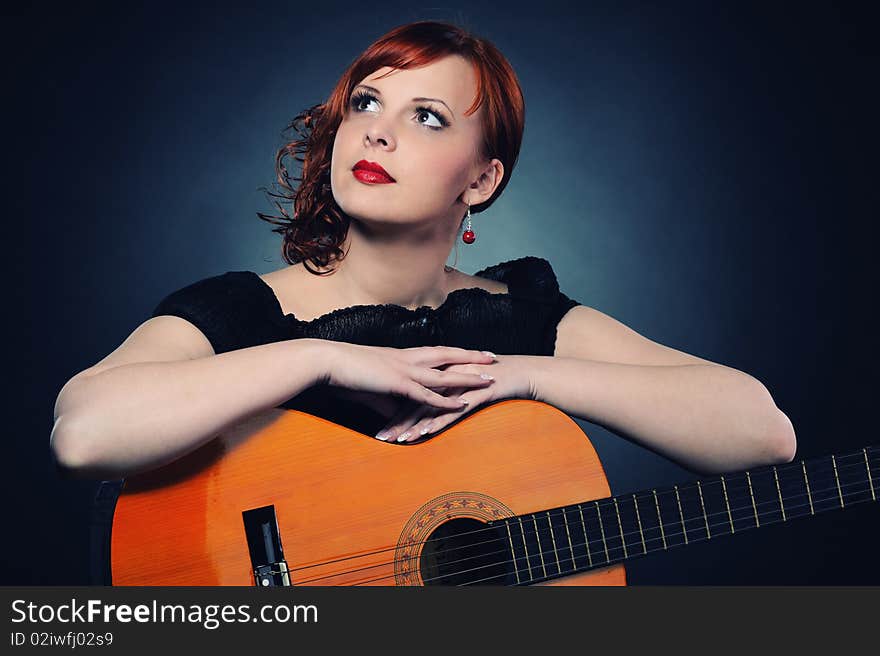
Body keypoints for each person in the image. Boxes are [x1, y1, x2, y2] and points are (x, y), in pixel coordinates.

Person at [50, 21, 796, 581]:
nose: (377, 130)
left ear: (481, 182)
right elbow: (84, 434)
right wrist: (322, 358)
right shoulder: (240, 311)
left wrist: (525, 375)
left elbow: (762, 436)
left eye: (427, 116)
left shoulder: (521, 316)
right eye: (367, 102)